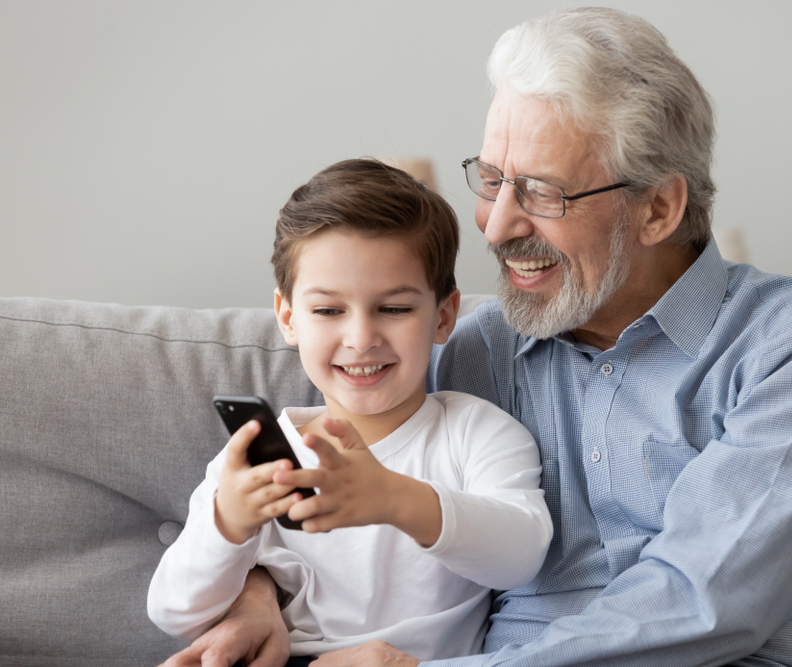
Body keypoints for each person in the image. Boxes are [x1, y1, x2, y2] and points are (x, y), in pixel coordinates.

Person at [161, 7, 792, 667]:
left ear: (658, 209)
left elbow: (706, 605)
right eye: (490, 179)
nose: (494, 224)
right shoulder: (484, 347)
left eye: (542, 192)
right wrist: (261, 592)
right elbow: (364, 504)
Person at [147, 159, 553, 664]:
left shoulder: (476, 432)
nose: (361, 339)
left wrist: (394, 498)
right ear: (288, 318)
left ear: (443, 315)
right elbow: (172, 613)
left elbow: (521, 555)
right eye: (329, 310)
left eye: (395, 308)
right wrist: (226, 522)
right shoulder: (260, 455)